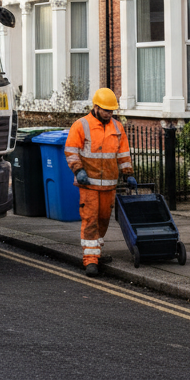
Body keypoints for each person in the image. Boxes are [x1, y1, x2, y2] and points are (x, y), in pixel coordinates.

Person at [64, 87, 135, 277]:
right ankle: (90, 261)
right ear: (96, 107)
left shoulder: (117, 127)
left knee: (104, 219)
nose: (109, 114)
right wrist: (78, 170)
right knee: (90, 220)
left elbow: (123, 154)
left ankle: (97, 252)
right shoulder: (81, 125)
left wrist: (128, 173)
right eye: (106, 110)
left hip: (109, 185)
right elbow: (71, 151)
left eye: (111, 111)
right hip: (88, 184)